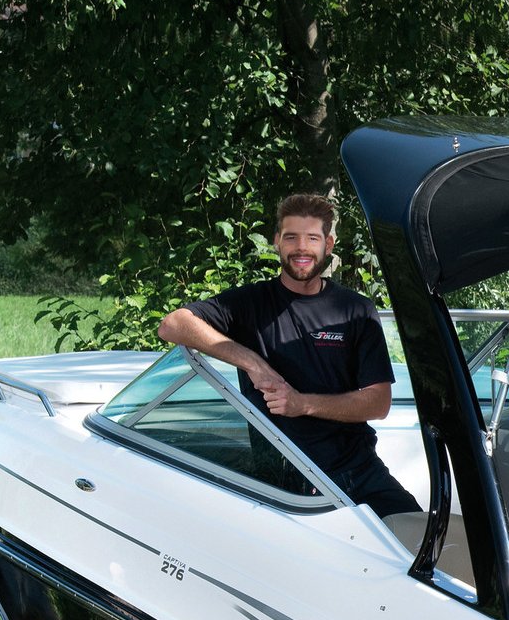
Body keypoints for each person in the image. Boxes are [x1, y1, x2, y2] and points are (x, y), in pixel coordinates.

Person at [155, 193, 419, 518]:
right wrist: (253, 363)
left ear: (328, 245)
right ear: (277, 241)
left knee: (426, 537)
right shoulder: (252, 303)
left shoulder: (356, 309)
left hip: (360, 471)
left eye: (312, 238)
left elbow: (378, 403)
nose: (301, 248)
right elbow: (173, 324)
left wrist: (301, 404)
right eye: (291, 237)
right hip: (287, 483)